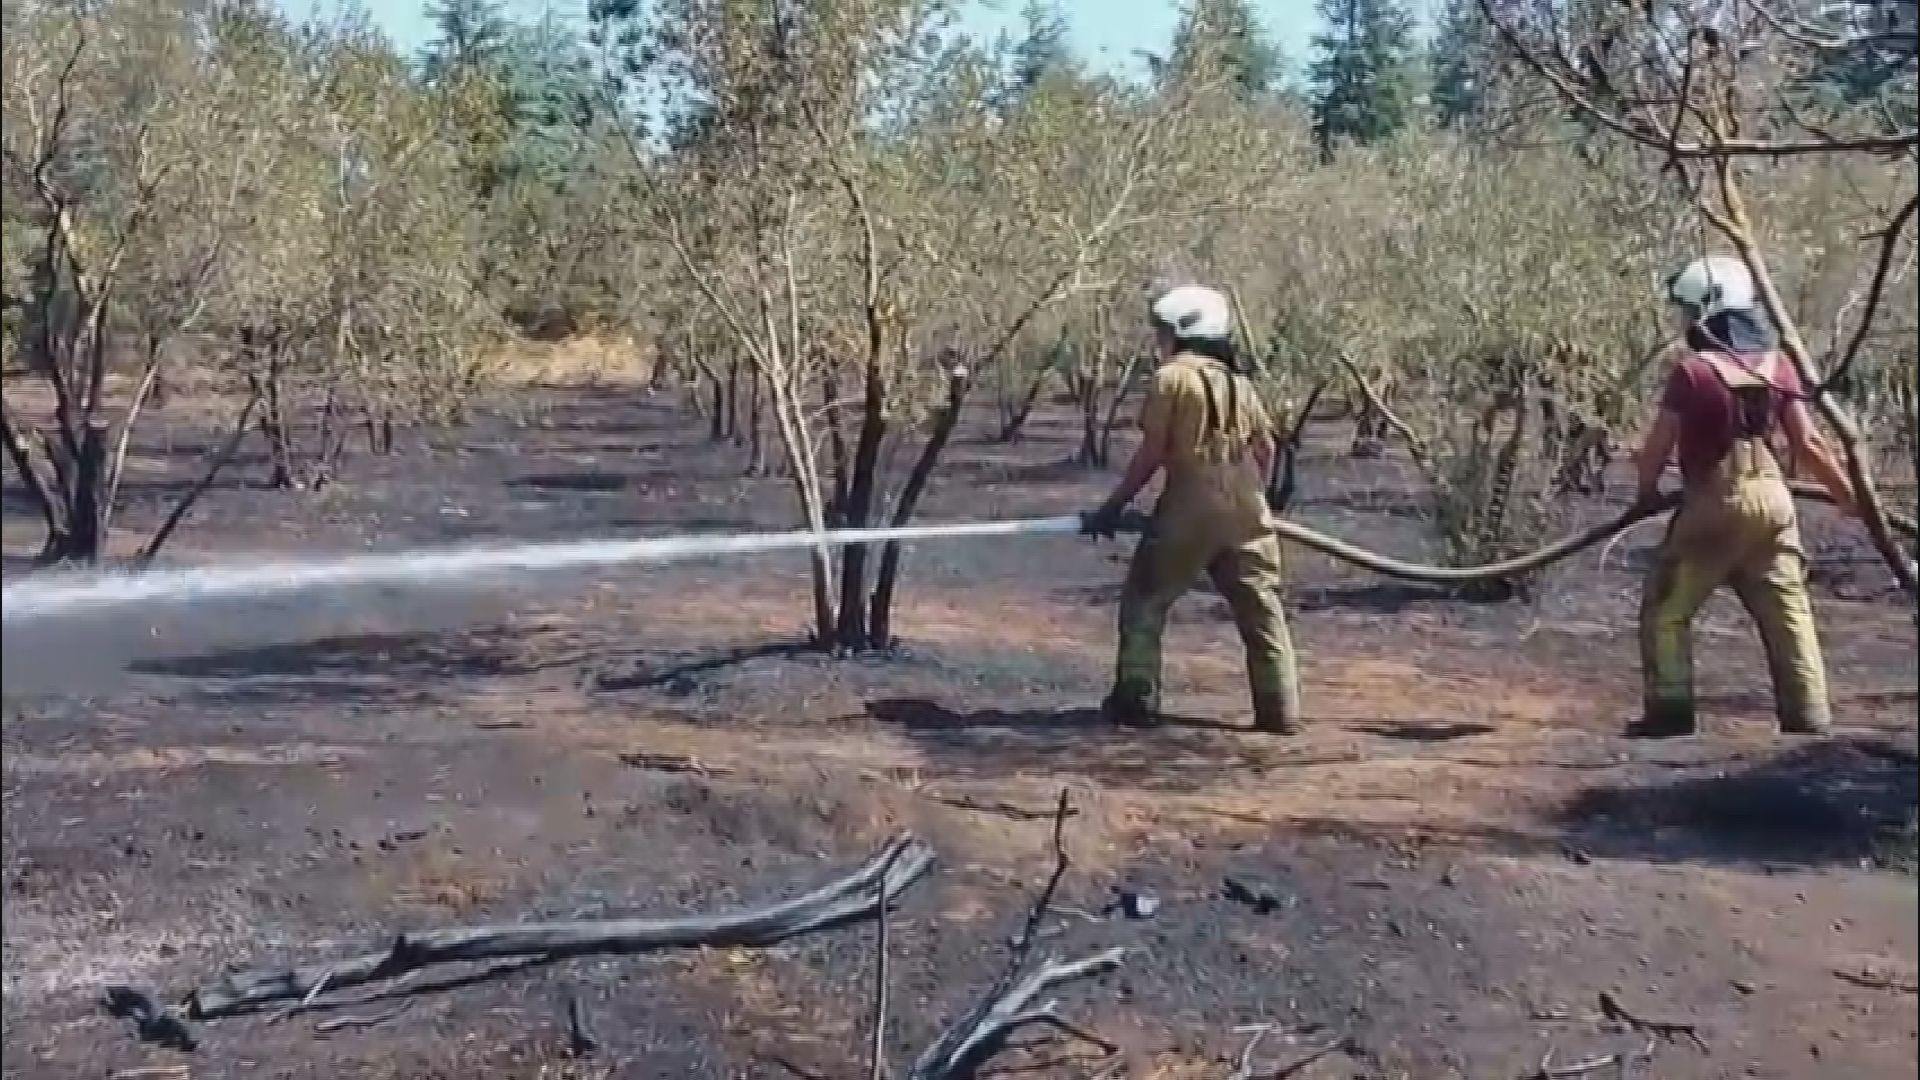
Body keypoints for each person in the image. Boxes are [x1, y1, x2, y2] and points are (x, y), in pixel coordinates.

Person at [1630, 255, 1859, 738]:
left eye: (1689, 310)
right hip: (1775, 505)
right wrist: (1846, 495)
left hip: (1716, 505)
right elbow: (1809, 444)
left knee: (1667, 610)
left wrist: (1646, 491)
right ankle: (1808, 713)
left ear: (1707, 310)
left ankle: (1669, 714)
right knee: (1788, 610)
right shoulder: (1780, 368)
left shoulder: (1692, 373)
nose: (1686, 321)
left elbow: (1656, 448)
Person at [1080, 284, 1302, 733]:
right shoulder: (1241, 384)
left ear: (1181, 331)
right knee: (1262, 611)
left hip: (1185, 514)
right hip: (1248, 515)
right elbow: (1266, 448)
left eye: (1161, 331)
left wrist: (1112, 506)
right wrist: (1256, 496)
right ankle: (1281, 712)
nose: (1158, 340)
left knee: (1145, 601)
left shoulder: (1171, 379)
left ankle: (1136, 701)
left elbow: (1152, 453)